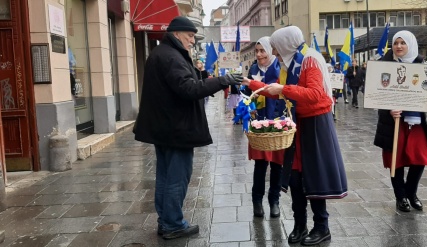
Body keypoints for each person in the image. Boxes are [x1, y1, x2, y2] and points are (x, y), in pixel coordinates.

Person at [133, 16, 246, 240]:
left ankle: (165, 220)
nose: (193, 41)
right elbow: (189, 89)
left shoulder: (162, 53)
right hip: (177, 129)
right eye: (190, 36)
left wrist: (203, 76)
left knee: (165, 176)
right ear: (177, 34)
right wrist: (224, 81)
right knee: (177, 177)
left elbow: (182, 84)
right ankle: (173, 223)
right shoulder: (171, 56)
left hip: (165, 127)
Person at [242, 26, 347, 246]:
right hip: (296, 124)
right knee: (295, 177)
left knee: (315, 177)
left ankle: (322, 227)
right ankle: (300, 225)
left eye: (277, 49)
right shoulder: (290, 63)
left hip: (314, 124)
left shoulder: (309, 61)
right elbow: (277, 90)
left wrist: (283, 89)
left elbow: (315, 94)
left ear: (287, 45)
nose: (276, 54)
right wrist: (250, 83)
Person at [373, 30, 427, 213]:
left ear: (410, 44)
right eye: (396, 43)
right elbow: (375, 93)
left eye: (403, 43)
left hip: (416, 120)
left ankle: (411, 193)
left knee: (420, 157)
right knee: (397, 160)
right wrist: (389, 109)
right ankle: (400, 197)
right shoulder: (384, 65)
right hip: (393, 122)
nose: (399, 46)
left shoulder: (421, 64)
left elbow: (426, 86)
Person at [246, 37, 283, 218]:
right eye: (257, 51)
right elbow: (248, 96)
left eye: (262, 50)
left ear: (270, 50)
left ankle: (274, 200)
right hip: (259, 123)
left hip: (278, 121)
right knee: (260, 165)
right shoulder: (253, 69)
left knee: (277, 164)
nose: (259, 54)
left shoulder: (280, 69)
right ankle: (257, 201)